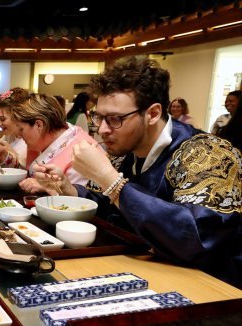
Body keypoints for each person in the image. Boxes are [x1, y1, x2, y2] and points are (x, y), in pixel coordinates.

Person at [34, 57, 242, 287]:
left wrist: (108, 178)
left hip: (213, 287)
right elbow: (107, 205)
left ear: (152, 114)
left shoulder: (210, 153)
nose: (102, 130)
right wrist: (68, 188)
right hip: (143, 270)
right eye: (98, 117)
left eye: (115, 119)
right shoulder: (123, 151)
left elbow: (199, 238)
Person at [11, 92, 104, 193]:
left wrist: (48, 187)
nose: (18, 135)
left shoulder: (81, 150)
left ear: (39, 125)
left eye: (21, 129)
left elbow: (84, 199)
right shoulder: (43, 141)